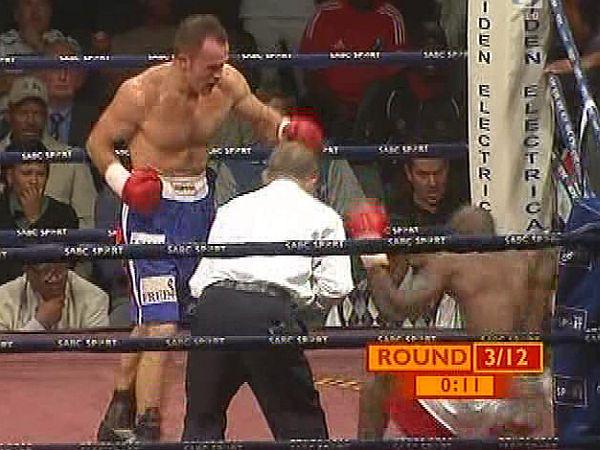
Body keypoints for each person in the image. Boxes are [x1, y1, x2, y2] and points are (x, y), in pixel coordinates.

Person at [88, 14, 324, 442]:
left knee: (160, 315)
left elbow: (260, 116)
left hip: (199, 208)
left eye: (223, 64)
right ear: (182, 60)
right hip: (150, 212)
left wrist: (287, 128)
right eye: (211, 66)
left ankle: (120, 401)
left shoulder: (227, 83)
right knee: (163, 324)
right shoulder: (140, 93)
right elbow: (97, 143)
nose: (219, 74)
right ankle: (148, 428)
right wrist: (123, 183)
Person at [184, 142, 354, 440]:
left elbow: (200, 281)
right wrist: (301, 313)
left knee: (201, 423)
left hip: (213, 308)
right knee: (301, 428)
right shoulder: (324, 215)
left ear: (266, 175)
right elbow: (336, 286)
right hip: (269, 312)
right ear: (313, 178)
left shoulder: (231, 208)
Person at [348, 202, 556, 438]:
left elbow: (396, 308)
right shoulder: (532, 258)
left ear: (455, 240)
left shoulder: (452, 263)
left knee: (381, 371)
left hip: (488, 386)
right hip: (535, 384)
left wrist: (372, 255)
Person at [0, 76, 97, 229]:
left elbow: (87, 223)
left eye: (37, 113)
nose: (30, 120)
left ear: (46, 115)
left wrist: (37, 219)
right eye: (23, 113)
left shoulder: (72, 159)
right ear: (9, 114)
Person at [0, 140, 78, 285]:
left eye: (40, 174)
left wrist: (35, 219)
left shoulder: (64, 215)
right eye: (27, 173)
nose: (34, 181)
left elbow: (59, 269)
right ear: (10, 176)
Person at [0, 262, 109, 331]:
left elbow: (96, 354)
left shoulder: (95, 297)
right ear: (27, 269)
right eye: (45, 270)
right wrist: (39, 324)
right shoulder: (3, 297)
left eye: (60, 267)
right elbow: (4, 357)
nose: (56, 278)